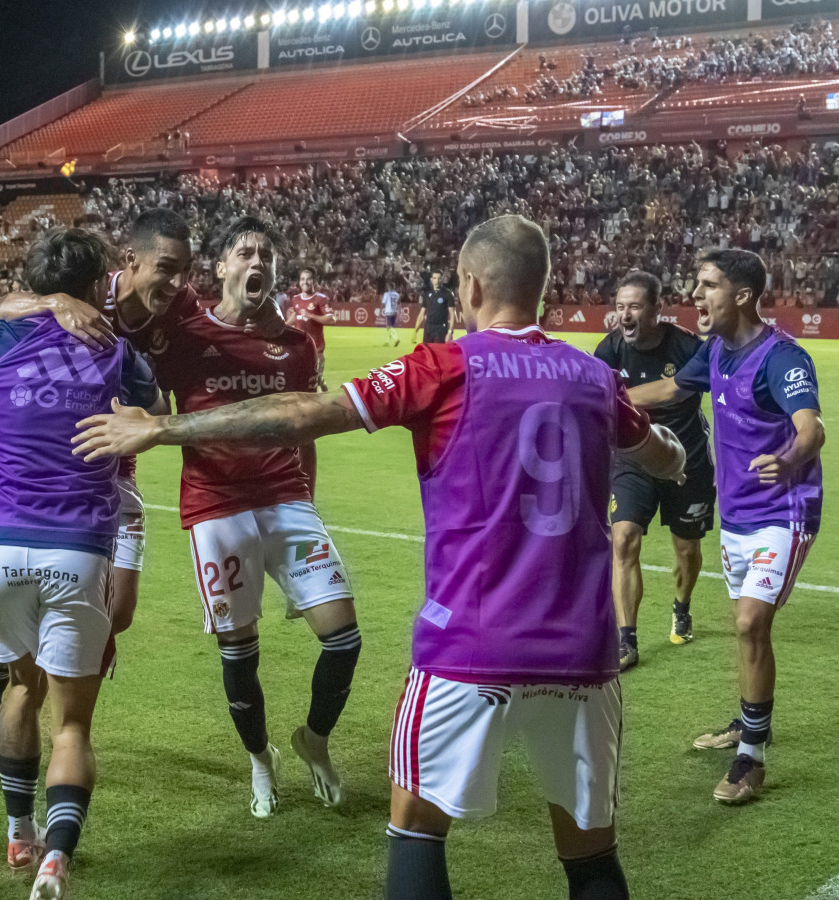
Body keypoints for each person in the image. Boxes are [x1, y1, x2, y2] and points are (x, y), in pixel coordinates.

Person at [74, 215, 687, 899]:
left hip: (469, 649)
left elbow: (305, 414)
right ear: (542, 289)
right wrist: (673, 447)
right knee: (592, 860)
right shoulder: (593, 376)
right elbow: (662, 456)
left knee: (418, 833)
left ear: (470, 285)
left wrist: (163, 428)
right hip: (584, 655)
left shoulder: (443, 366)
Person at [106, 216, 361, 819]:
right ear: (219, 268)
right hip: (215, 506)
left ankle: (313, 742)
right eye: (244, 252)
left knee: (344, 639)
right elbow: (128, 306)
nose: (258, 262)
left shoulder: (298, 345)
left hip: (285, 501)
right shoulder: (183, 327)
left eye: (267, 254)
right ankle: (259, 762)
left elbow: (306, 429)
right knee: (239, 651)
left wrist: (309, 501)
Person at [0, 228, 165, 900]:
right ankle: (55, 860)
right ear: (100, 284)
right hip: (79, 544)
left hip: (0, 544)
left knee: (19, 687)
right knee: (72, 721)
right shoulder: (118, 351)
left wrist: (18, 313)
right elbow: (156, 413)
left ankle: (19, 832)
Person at [0, 208, 195, 784]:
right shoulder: (89, 300)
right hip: (60, 478)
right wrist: (51, 303)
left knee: (117, 613)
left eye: (183, 272)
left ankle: (39, 709)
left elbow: (168, 404)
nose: (175, 284)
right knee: (39, 617)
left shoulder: (185, 314)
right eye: (166, 269)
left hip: (119, 472)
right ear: (129, 264)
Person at [629, 248, 824, 805]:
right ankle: (747, 720)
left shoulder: (782, 359)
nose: (695, 295)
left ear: (741, 295)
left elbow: (811, 429)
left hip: (782, 512)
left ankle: (752, 757)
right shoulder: (715, 351)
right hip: (736, 515)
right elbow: (669, 391)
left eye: (708, 284)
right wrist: (600, 397)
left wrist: (788, 460)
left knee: (748, 623)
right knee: (746, 629)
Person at [594, 272, 715, 671]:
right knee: (624, 539)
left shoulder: (685, 346)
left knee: (687, 549)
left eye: (634, 306)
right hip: (632, 462)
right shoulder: (609, 349)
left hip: (687, 461)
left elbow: (686, 388)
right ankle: (626, 640)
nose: (624, 315)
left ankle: (682, 605)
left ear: (656, 309)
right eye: (620, 306)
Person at [285, 267, 336, 392]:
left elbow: (332, 319)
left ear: (314, 281)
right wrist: (285, 325)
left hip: (316, 347)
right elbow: (296, 315)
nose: (305, 282)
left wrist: (311, 315)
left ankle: (321, 383)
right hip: (299, 347)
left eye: (308, 279)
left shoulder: (320, 299)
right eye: (302, 279)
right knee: (299, 381)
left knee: (315, 380)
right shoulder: (295, 298)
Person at [412, 270, 455, 344]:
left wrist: (450, 332)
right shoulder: (427, 294)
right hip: (428, 328)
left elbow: (452, 315)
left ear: (442, 279)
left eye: (439, 278)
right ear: (431, 280)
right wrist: (415, 332)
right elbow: (421, 314)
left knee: (438, 353)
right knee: (427, 353)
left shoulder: (448, 294)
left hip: (441, 328)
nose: (437, 281)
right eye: (435, 278)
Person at [381, 280, 401, 346]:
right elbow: (398, 303)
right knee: (391, 327)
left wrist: (381, 310)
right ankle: (387, 342)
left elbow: (383, 303)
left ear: (389, 287)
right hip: (394, 312)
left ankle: (396, 338)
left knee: (389, 327)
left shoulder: (387, 294)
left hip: (388, 311)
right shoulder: (397, 294)